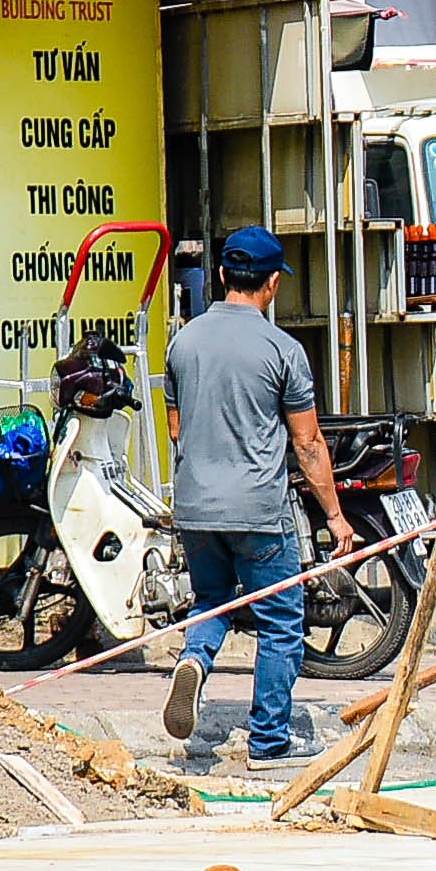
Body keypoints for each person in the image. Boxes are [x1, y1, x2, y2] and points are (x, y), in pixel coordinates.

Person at [160, 228, 351, 770]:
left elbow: (177, 428)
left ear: (221, 276)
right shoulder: (282, 350)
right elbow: (308, 443)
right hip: (259, 512)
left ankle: (196, 657)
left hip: (195, 508)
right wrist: (335, 517)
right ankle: (269, 742)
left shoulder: (183, 343)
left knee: (211, 602)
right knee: (280, 624)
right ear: (271, 284)